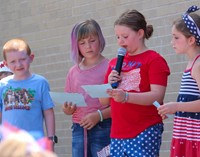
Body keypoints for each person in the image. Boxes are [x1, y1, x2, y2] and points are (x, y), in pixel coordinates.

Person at [100, 9, 170, 157]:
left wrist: (126, 97)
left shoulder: (153, 60)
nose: (120, 41)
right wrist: (108, 83)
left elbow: (157, 95)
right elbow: (103, 100)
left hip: (144, 129)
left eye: (125, 36)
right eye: (117, 37)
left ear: (140, 33)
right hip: (117, 133)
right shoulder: (114, 63)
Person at [62, 19, 111, 157]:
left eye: (92, 40)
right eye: (82, 43)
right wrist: (67, 109)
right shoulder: (73, 72)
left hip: (103, 126)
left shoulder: (110, 67)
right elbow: (67, 108)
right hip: (78, 129)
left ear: (100, 39)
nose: (88, 46)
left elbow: (118, 105)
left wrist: (98, 116)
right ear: (76, 46)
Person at [157, 5, 200, 157]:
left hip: (195, 137)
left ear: (191, 40)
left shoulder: (198, 65)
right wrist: (173, 109)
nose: (171, 42)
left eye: (176, 37)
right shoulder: (191, 64)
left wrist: (176, 106)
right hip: (187, 135)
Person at [0, 38, 57, 148]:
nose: (18, 64)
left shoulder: (41, 83)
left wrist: (51, 139)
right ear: (6, 64)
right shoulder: (2, 85)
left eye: (22, 59)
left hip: (34, 145)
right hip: (8, 145)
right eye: (13, 61)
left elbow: (48, 112)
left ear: (31, 58)